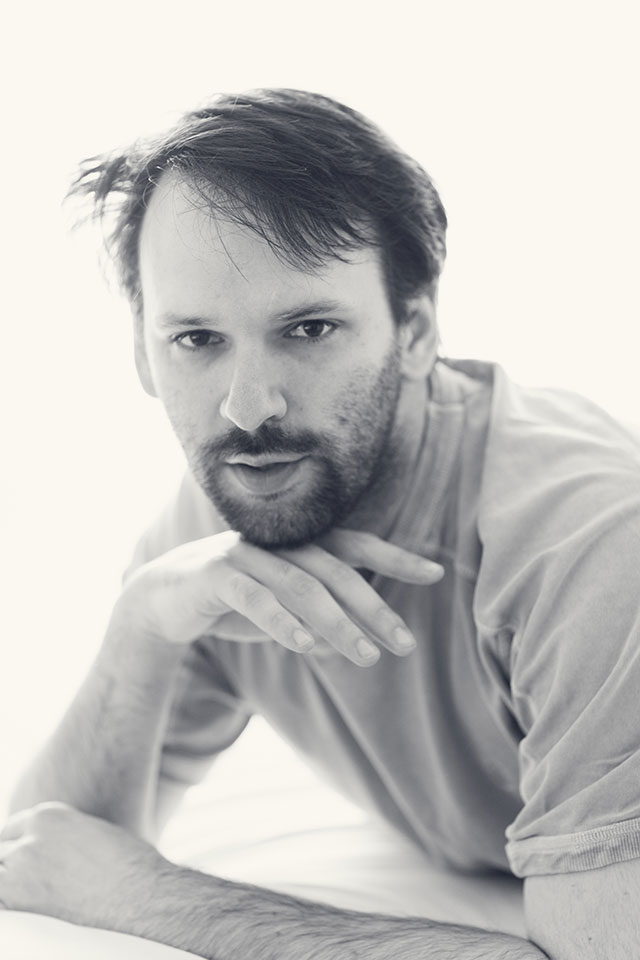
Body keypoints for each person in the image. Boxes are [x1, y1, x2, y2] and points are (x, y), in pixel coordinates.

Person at [1, 88, 639, 959]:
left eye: (308, 328)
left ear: (414, 331)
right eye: (196, 339)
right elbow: (42, 851)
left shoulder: (588, 545)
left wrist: (151, 897)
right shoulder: (225, 516)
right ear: (143, 354)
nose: (247, 407)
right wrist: (142, 624)